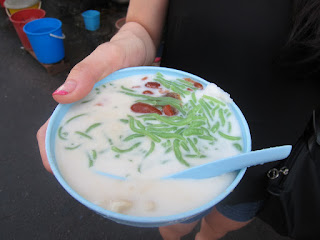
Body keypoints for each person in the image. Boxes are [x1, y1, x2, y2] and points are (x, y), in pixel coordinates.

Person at [37, 0, 320, 239]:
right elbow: (141, 27)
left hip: (268, 158)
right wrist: (126, 44)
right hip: (165, 120)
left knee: (221, 226)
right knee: (173, 226)